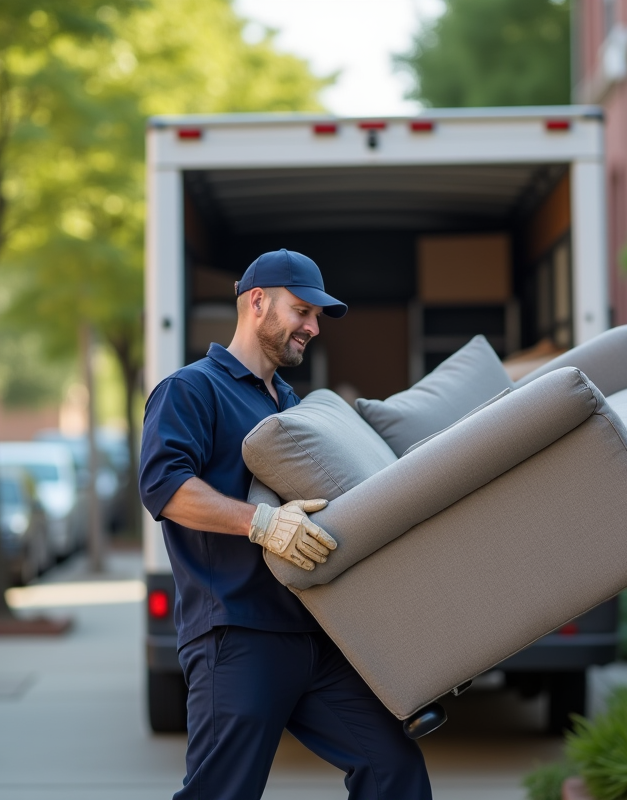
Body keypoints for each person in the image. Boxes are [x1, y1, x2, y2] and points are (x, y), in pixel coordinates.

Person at [139, 249, 432, 800]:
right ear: (257, 303)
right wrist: (263, 524)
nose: (313, 327)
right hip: (237, 635)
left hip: (314, 640)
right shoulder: (191, 390)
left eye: (317, 316)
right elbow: (165, 488)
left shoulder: (292, 405)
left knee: (393, 770)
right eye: (302, 311)